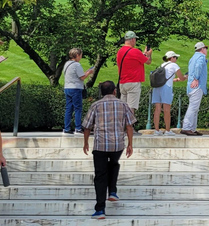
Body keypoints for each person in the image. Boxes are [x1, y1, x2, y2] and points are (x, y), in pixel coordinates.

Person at [82, 80, 135, 220]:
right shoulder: (123, 105)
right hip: (117, 145)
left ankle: (100, 209)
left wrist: (86, 143)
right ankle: (112, 191)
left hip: (100, 146)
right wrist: (130, 144)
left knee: (100, 175)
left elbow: (87, 126)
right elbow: (129, 126)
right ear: (114, 91)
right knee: (114, 163)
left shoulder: (95, 105)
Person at [116, 31, 152, 135]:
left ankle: (122, 127)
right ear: (132, 40)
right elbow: (148, 61)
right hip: (133, 82)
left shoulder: (120, 51)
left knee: (124, 107)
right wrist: (149, 55)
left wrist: (143, 54)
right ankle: (129, 129)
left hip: (122, 82)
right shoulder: (135, 51)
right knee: (131, 107)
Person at [151, 51, 186, 136]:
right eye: (175, 58)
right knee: (167, 109)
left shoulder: (162, 65)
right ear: (172, 58)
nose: (176, 59)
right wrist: (185, 77)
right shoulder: (174, 65)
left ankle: (157, 130)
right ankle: (167, 130)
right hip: (166, 88)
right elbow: (181, 78)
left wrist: (176, 79)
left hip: (157, 87)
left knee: (157, 109)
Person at [62, 47, 95, 135]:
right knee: (78, 108)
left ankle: (67, 128)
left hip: (67, 87)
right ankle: (78, 128)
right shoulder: (76, 65)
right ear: (77, 55)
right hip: (75, 88)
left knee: (69, 108)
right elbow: (82, 77)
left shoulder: (67, 64)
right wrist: (89, 72)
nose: (81, 57)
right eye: (80, 55)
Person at [181, 42, 208, 136]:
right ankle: (187, 127)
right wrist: (196, 78)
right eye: (205, 48)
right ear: (202, 49)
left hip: (191, 86)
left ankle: (192, 128)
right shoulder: (201, 57)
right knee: (193, 107)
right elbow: (198, 67)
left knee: (194, 108)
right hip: (197, 85)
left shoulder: (192, 58)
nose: (206, 50)